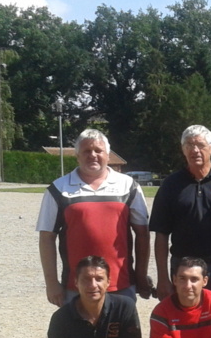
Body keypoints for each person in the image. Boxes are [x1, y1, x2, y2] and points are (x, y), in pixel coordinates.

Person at [37, 129, 150, 307]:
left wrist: (141, 275)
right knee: (77, 335)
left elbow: (143, 235)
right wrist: (51, 283)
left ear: (108, 154)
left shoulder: (129, 186)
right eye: (86, 151)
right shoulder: (58, 189)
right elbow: (46, 238)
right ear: (77, 156)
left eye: (98, 150)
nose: (93, 155)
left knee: (122, 334)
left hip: (121, 284)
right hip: (75, 287)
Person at [149, 125, 211, 311]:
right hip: (182, 269)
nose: (195, 150)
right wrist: (163, 277)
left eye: (200, 145)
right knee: (184, 323)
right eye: (189, 145)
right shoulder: (171, 185)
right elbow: (161, 234)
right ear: (183, 149)